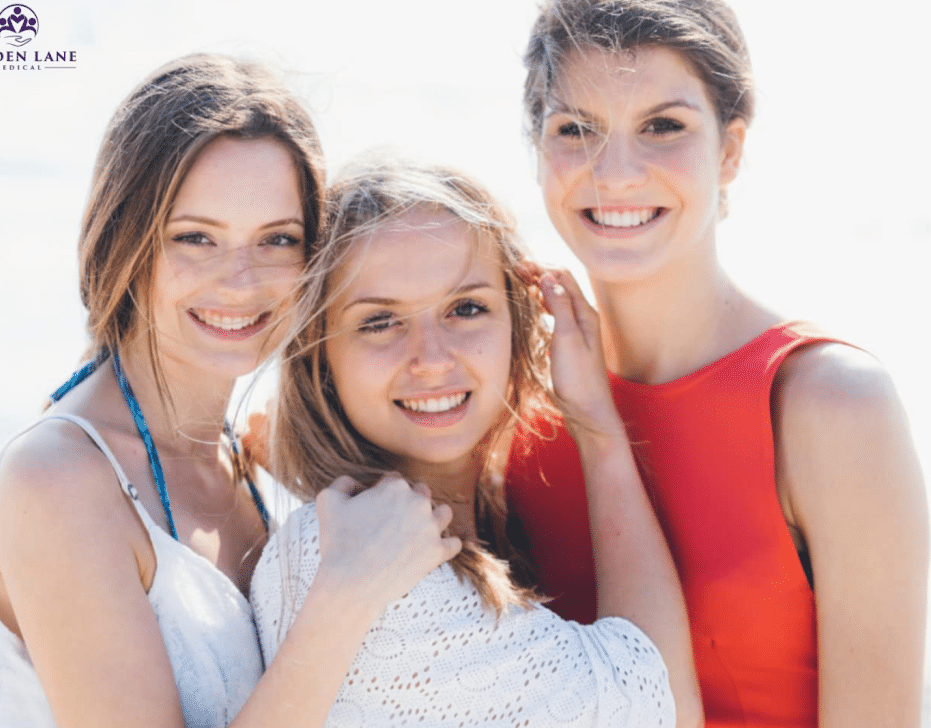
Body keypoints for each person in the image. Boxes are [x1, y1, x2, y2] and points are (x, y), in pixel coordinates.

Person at [0, 53, 461, 728]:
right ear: (125, 243)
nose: (241, 280)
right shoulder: (58, 480)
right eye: (196, 238)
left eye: (277, 239)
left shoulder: (253, 466)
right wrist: (347, 595)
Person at [508, 0, 928, 727]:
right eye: (575, 129)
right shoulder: (507, 409)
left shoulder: (831, 405)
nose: (616, 172)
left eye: (663, 126)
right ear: (538, 152)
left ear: (730, 151)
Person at [252, 157, 703, 727]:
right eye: (380, 321)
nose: (432, 359)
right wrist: (597, 428)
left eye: (466, 308)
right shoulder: (362, 563)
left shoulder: (468, 526)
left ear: (517, 325)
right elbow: (660, 706)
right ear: (319, 358)